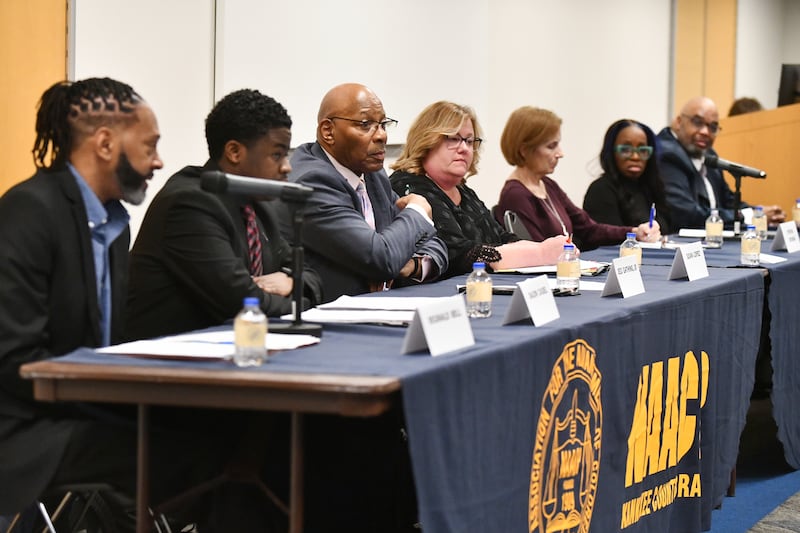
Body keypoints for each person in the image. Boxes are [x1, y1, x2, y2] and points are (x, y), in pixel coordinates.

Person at [0, 78, 229, 530]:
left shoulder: (114, 224)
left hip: (77, 406)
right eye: (149, 145)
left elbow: (106, 340)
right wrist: (118, 391)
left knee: (228, 430)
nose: (159, 161)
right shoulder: (28, 212)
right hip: (25, 426)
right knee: (197, 455)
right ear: (105, 143)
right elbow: (14, 360)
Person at [126, 88, 322, 341]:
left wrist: (290, 280)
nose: (286, 167)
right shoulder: (189, 203)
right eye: (277, 154)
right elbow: (243, 303)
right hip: (164, 362)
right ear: (234, 152)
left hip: (231, 349)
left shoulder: (257, 204)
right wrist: (303, 309)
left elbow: (310, 273)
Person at [283, 82, 448, 302]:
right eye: (365, 124)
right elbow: (382, 258)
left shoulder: (372, 175)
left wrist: (411, 265)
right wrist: (418, 210)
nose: (381, 136)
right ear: (328, 131)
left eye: (383, 124)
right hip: (328, 323)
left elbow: (432, 242)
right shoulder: (312, 183)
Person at [389, 101, 568, 277]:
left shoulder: (463, 191)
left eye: (469, 141)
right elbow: (457, 253)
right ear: (426, 141)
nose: (464, 148)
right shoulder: (408, 185)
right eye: (453, 139)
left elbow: (500, 237)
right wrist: (539, 253)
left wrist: (544, 248)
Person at [496, 106, 660, 251]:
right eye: (551, 146)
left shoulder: (548, 185)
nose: (560, 153)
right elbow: (535, 251)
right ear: (525, 150)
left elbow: (589, 229)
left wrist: (634, 232)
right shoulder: (516, 194)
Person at [657, 96, 784, 229]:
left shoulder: (708, 154)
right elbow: (688, 214)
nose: (705, 132)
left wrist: (759, 213)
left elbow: (728, 201)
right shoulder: (667, 154)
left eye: (713, 127)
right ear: (678, 122)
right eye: (697, 122)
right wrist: (748, 215)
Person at [583, 119, 672, 234]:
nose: (635, 157)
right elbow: (606, 240)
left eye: (643, 150)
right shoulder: (601, 189)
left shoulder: (652, 188)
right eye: (626, 150)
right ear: (612, 153)